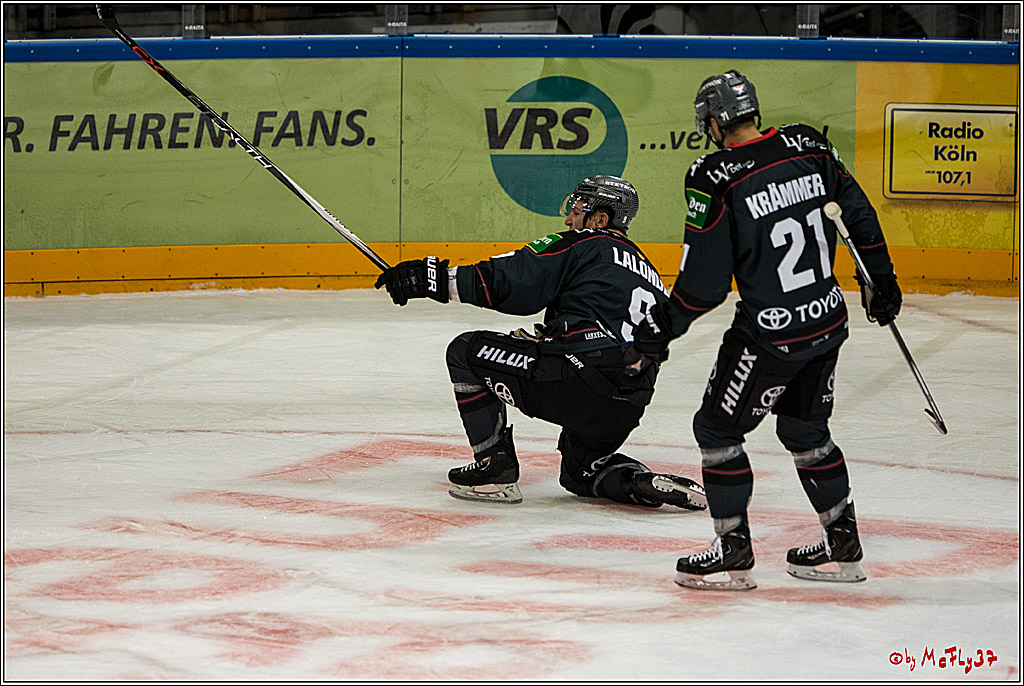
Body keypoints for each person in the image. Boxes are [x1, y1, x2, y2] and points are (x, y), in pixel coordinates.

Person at [626, 70, 902, 590]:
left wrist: (661, 328)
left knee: (718, 431)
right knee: (805, 432)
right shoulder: (809, 145)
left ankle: (732, 552)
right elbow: (858, 215)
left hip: (770, 335)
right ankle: (841, 542)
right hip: (826, 319)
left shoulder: (714, 175)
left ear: (712, 122)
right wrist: (880, 279)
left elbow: (704, 283)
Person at [375, 175, 707, 511]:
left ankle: (495, 469)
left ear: (600, 219)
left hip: (574, 376)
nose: (568, 219)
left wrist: (428, 279)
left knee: (465, 351)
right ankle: (635, 481)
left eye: (577, 210)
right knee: (579, 474)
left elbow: (512, 280)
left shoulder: (584, 244)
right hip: (628, 404)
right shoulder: (650, 274)